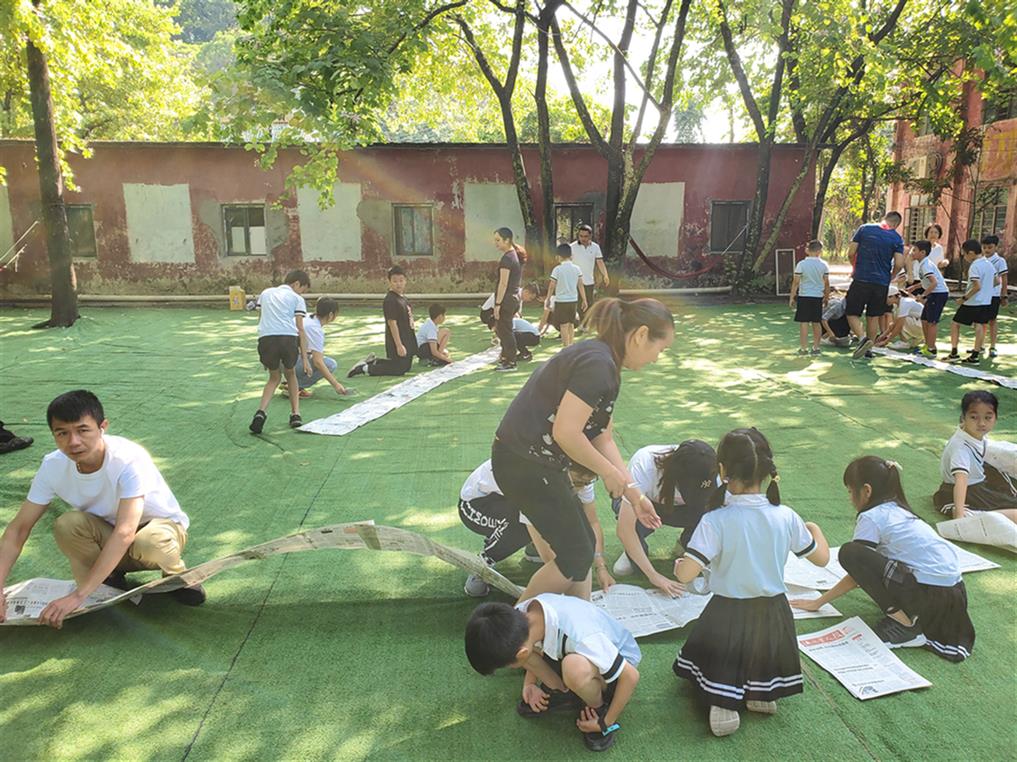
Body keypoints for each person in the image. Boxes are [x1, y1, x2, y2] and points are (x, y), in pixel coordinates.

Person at [491, 299, 674, 601]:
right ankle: (516, 631)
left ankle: (581, 621)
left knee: (583, 546)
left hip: (538, 463)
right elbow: (566, 432)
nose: (657, 357)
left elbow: (603, 438)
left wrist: (634, 493)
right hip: (522, 462)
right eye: (661, 348)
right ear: (641, 335)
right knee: (575, 552)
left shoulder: (606, 363)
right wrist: (607, 472)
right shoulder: (598, 365)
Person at [0, 391, 205, 629]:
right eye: (62, 433)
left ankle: (176, 576)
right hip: (107, 534)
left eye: (83, 429)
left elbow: (125, 531)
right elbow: (18, 529)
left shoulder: (128, 458)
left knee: (152, 541)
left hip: (156, 530)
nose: (73, 441)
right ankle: (109, 578)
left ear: (102, 427)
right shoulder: (53, 466)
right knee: (67, 524)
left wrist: (78, 596)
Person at [672, 428, 829, 737]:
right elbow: (821, 559)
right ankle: (760, 693)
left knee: (722, 662)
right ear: (767, 471)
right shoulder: (785, 515)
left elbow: (685, 575)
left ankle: (723, 703)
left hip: (727, 613)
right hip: (774, 613)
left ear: (722, 470)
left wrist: (681, 566)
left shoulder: (716, 519)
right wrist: (815, 529)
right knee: (761, 654)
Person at [791, 456, 975, 661]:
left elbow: (857, 571)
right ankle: (910, 618)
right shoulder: (898, 509)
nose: (850, 498)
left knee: (849, 552)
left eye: (851, 491)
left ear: (867, 491)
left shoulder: (871, 517)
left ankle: (906, 626)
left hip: (931, 597)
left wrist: (819, 602)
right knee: (862, 555)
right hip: (955, 595)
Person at [465, 594, 640, 751]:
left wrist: (605, 723)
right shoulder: (521, 615)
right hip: (566, 649)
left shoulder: (582, 636)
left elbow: (631, 676)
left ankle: (598, 706)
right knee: (560, 662)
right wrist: (530, 684)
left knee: (574, 669)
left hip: (617, 663)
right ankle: (564, 691)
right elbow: (529, 648)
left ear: (521, 654)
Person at [460, 462, 614, 597]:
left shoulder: (582, 477)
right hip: (475, 504)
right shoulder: (536, 481)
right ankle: (482, 563)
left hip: (509, 497)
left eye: (586, 483)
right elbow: (548, 556)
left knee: (566, 508)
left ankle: (532, 547)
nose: (579, 487)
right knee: (526, 522)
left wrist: (601, 567)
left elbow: (591, 522)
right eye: (576, 482)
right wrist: (565, 581)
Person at [611, 441, 718, 598]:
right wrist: (654, 576)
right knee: (626, 566)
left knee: (708, 510)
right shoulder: (645, 465)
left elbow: (719, 518)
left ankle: (688, 544)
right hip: (645, 506)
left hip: (684, 511)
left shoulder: (714, 471)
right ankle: (633, 550)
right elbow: (624, 529)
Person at [932, 391, 1017, 522]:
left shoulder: (971, 435)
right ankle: (963, 511)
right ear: (963, 417)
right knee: (1011, 509)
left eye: (988, 418)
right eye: (974, 417)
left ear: (995, 417)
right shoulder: (961, 448)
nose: (982, 423)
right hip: (970, 491)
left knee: (997, 473)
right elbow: (961, 481)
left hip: (976, 480)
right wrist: (959, 518)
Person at [249, 269, 312, 433]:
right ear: (297, 284)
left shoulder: (266, 293)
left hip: (266, 339)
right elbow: (300, 328)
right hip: (287, 338)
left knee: (273, 377)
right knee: (290, 374)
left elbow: (261, 318)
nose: (302, 292)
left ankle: (261, 412)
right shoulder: (297, 299)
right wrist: (305, 358)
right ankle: (295, 414)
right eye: (303, 289)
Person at [845, 212, 906, 359]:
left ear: (884, 218)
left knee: (852, 313)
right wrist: (891, 275)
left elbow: (851, 252)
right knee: (873, 317)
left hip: (861, 279)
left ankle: (862, 338)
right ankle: (868, 350)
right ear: (896, 224)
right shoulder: (897, 238)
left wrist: (854, 267)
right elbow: (899, 263)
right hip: (881, 283)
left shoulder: (864, 229)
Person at [348, 266, 417, 377]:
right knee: (399, 369)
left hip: (406, 337)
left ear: (405, 281)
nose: (398, 284)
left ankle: (374, 361)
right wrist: (399, 345)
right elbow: (392, 323)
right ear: (389, 282)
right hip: (398, 339)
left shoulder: (403, 298)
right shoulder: (390, 300)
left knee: (405, 366)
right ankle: (364, 368)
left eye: (401, 280)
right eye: (395, 281)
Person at [286, 297, 350, 398]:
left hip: (278, 359)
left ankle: (291, 382)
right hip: (289, 362)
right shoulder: (315, 329)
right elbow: (318, 362)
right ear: (331, 315)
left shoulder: (305, 317)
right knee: (330, 364)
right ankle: (295, 386)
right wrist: (336, 385)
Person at [946, 240, 997, 364]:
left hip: (973, 302)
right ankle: (975, 355)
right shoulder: (989, 264)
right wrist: (987, 290)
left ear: (971, 253)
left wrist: (963, 298)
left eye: (964, 254)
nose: (964, 257)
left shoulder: (975, 265)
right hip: (985, 301)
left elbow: (977, 286)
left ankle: (954, 353)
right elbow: (997, 281)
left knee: (955, 323)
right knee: (979, 325)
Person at [906, 240, 950, 357]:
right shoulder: (923, 264)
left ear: (923, 252)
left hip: (938, 294)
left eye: (914, 250)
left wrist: (923, 295)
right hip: (935, 294)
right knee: (924, 320)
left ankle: (931, 349)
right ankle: (928, 345)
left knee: (932, 322)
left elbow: (934, 283)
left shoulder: (926, 265)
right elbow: (926, 281)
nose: (912, 252)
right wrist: (914, 287)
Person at [789, 240, 830, 355]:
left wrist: (792, 297)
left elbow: (795, 282)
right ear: (819, 251)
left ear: (807, 250)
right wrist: (826, 297)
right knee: (816, 322)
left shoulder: (801, 264)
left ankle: (803, 348)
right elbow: (827, 283)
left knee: (804, 322)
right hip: (817, 297)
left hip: (804, 296)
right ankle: (816, 348)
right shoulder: (824, 265)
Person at [492, 228, 525, 371]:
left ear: (507, 240)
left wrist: (498, 304)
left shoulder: (508, 258)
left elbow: (503, 283)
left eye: (498, 240)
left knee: (505, 331)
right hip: (513, 298)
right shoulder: (513, 255)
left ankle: (510, 361)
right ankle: (506, 358)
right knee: (503, 330)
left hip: (507, 299)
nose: (496, 243)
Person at [548, 243, 587, 347]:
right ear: (571, 256)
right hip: (573, 300)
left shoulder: (557, 269)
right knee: (571, 324)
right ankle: (571, 345)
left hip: (561, 300)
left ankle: (566, 347)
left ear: (559, 256)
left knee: (563, 325)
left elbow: (552, 285)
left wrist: (548, 298)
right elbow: (581, 285)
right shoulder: (577, 269)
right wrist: (584, 299)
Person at [571, 224, 610, 321]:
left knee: (589, 303)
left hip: (589, 281)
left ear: (590, 236)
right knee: (577, 303)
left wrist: (605, 275)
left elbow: (600, 262)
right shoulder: (571, 247)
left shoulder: (595, 247)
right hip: (574, 281)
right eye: (581, 236)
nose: (583, 238)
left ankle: (586, 323)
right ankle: (577, 323)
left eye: (585, 236)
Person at [874, 286, 925, 350]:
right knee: (899, 319)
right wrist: (883, 335)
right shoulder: (897, 304)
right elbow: (893, 324)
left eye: (885, 298)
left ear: (893, 296)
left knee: (902, 320)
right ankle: (917, 339)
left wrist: (885, 342)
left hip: (923, 326)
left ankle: (904, 342)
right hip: (921, 325)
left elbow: (899, 326)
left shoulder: (905, 303)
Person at [983, 235, 1009, 358]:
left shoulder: (1000, 261)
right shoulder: (981, 260)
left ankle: (992, 346)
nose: (987, 250)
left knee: (992, 320)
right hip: (981, 295)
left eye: (990, 247)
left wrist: (1003, 295)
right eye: (984, 247)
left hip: (994, 295)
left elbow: (1004, 278)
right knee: (981, 321)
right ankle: (980, 345)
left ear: (996, 247)